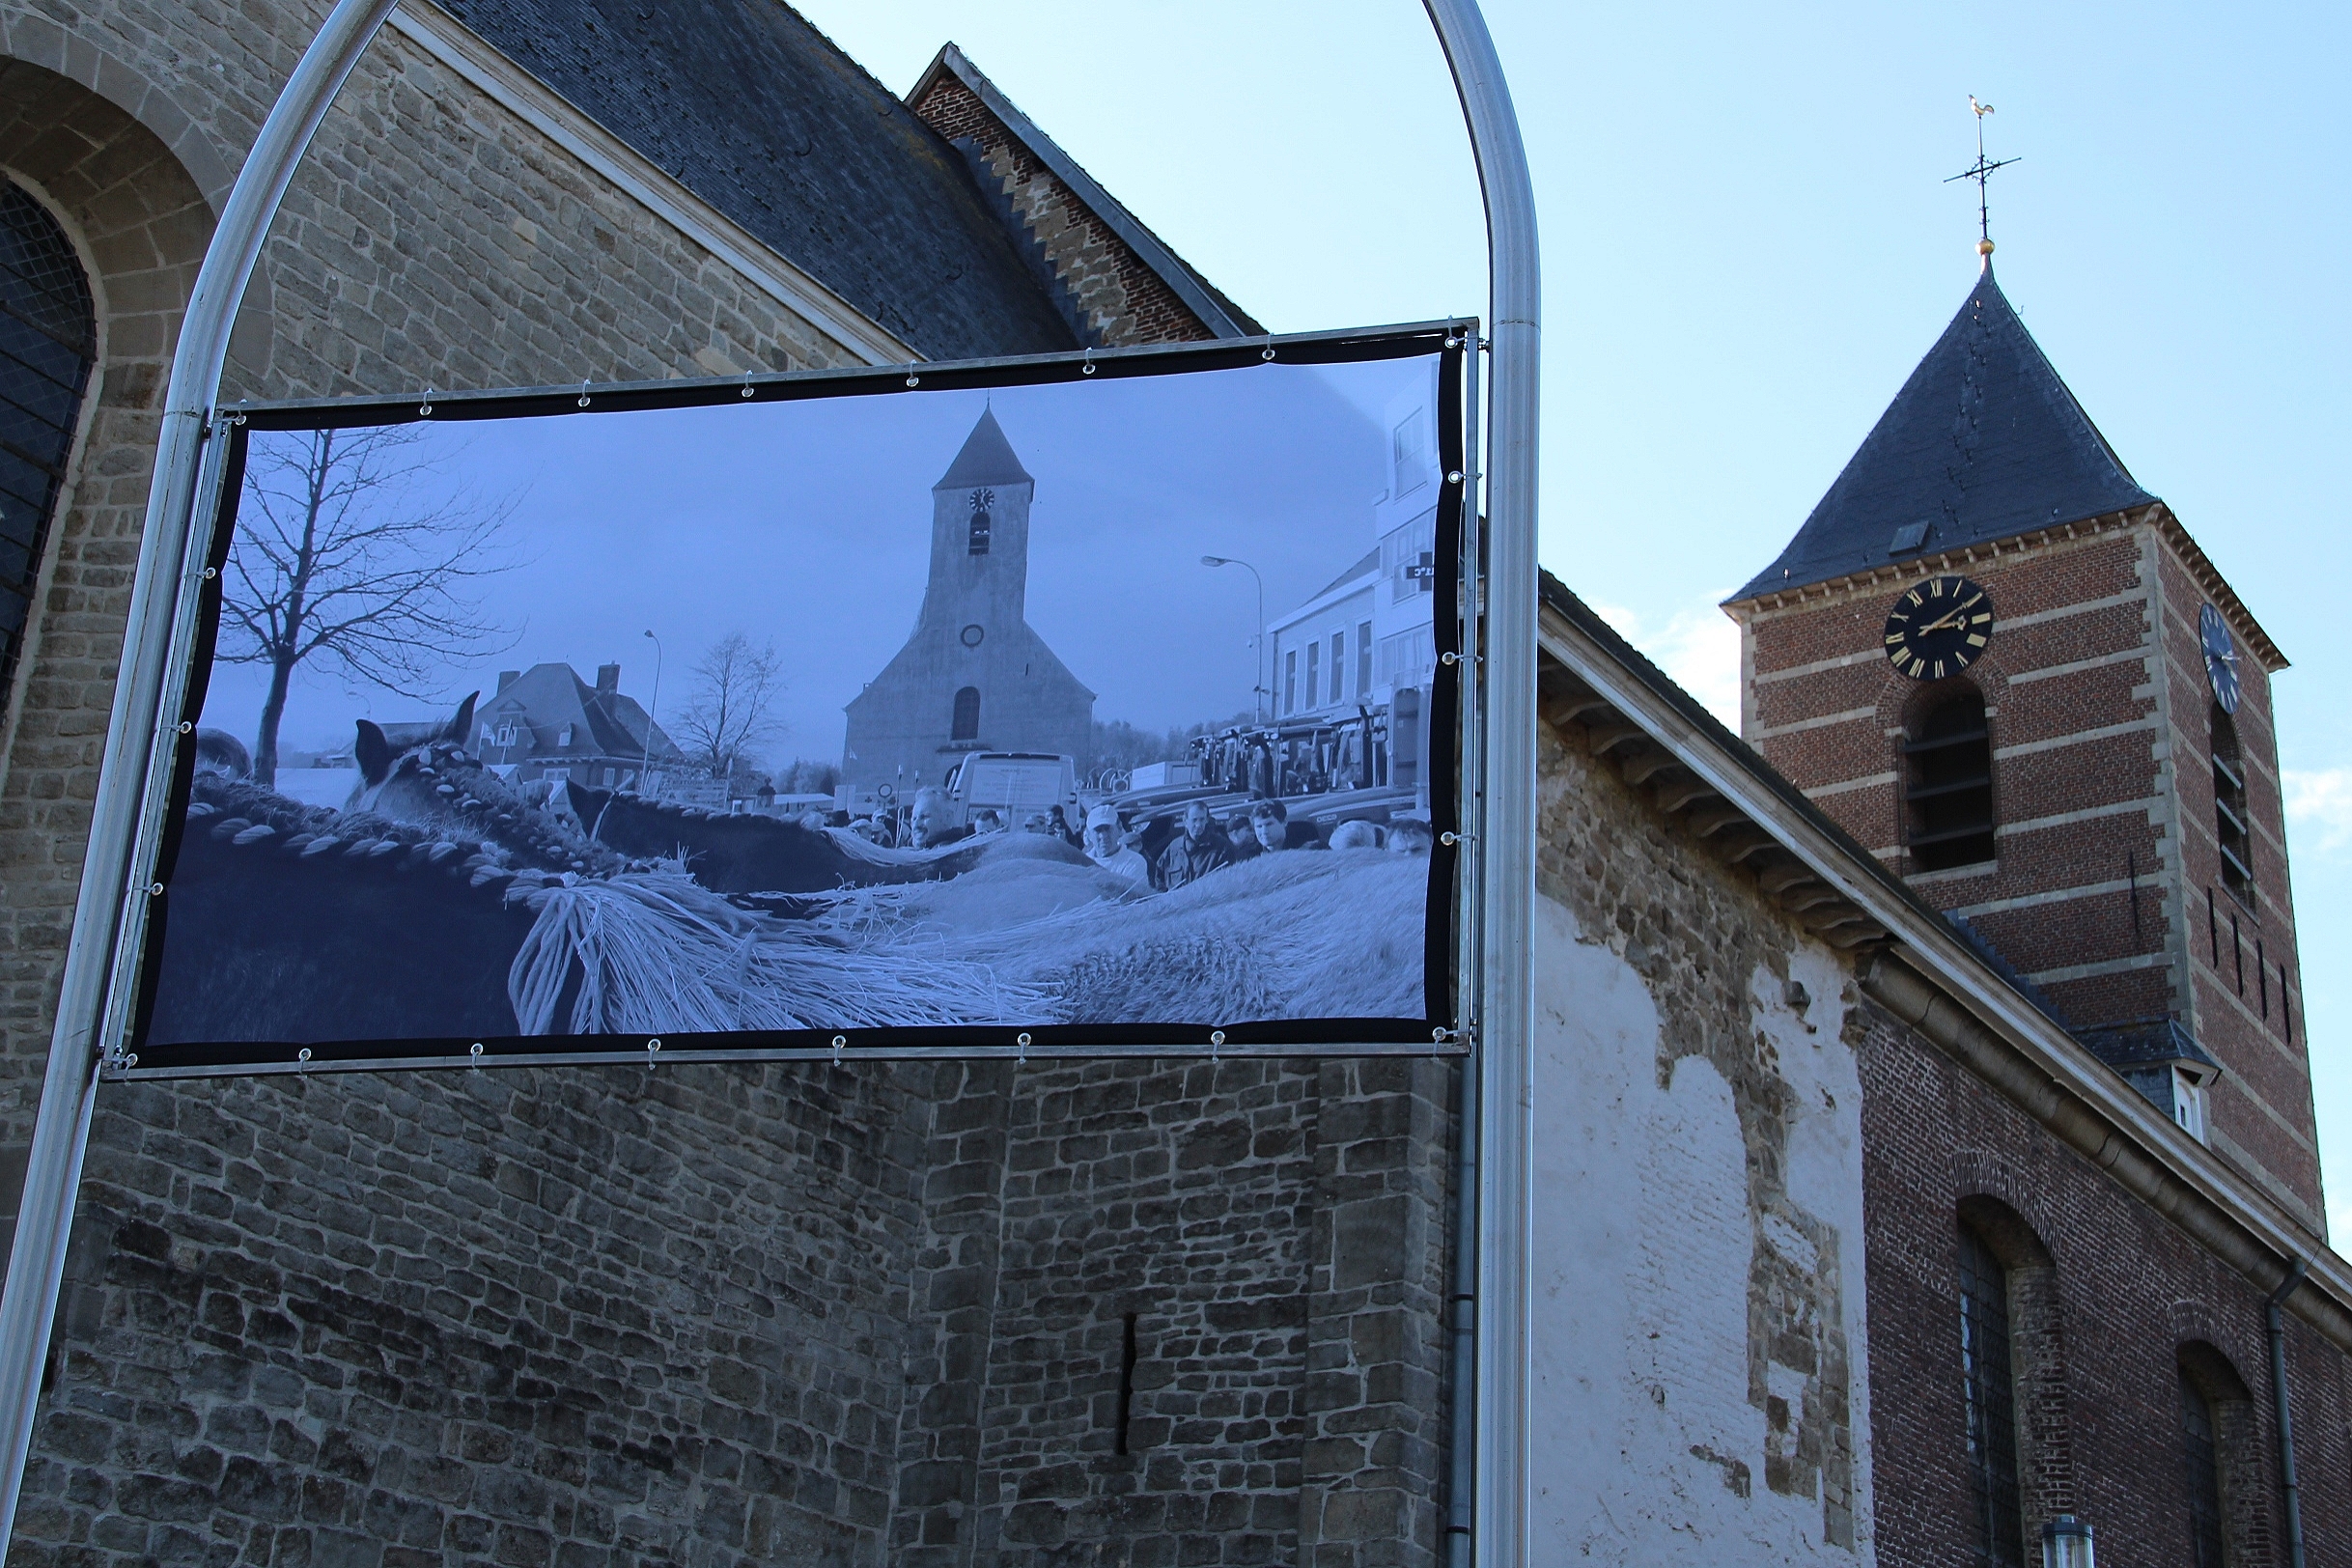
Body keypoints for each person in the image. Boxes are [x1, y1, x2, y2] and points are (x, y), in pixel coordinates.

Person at [1155, 798, 1234, 890]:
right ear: (1185, 821)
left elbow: (1229, 882)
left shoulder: (1221, 848)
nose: (1198, 825)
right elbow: (1158, 877)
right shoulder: (1174, 848)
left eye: (1202, 819)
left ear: (1207, 820)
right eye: (1194, 820)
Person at [1084, 803, 1150, 888]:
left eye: (1107, 829)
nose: (1103, 836)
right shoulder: (1081, 863)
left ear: (1119, 828)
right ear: (1089, 835)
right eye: (1098, 830)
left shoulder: (1134, 862)